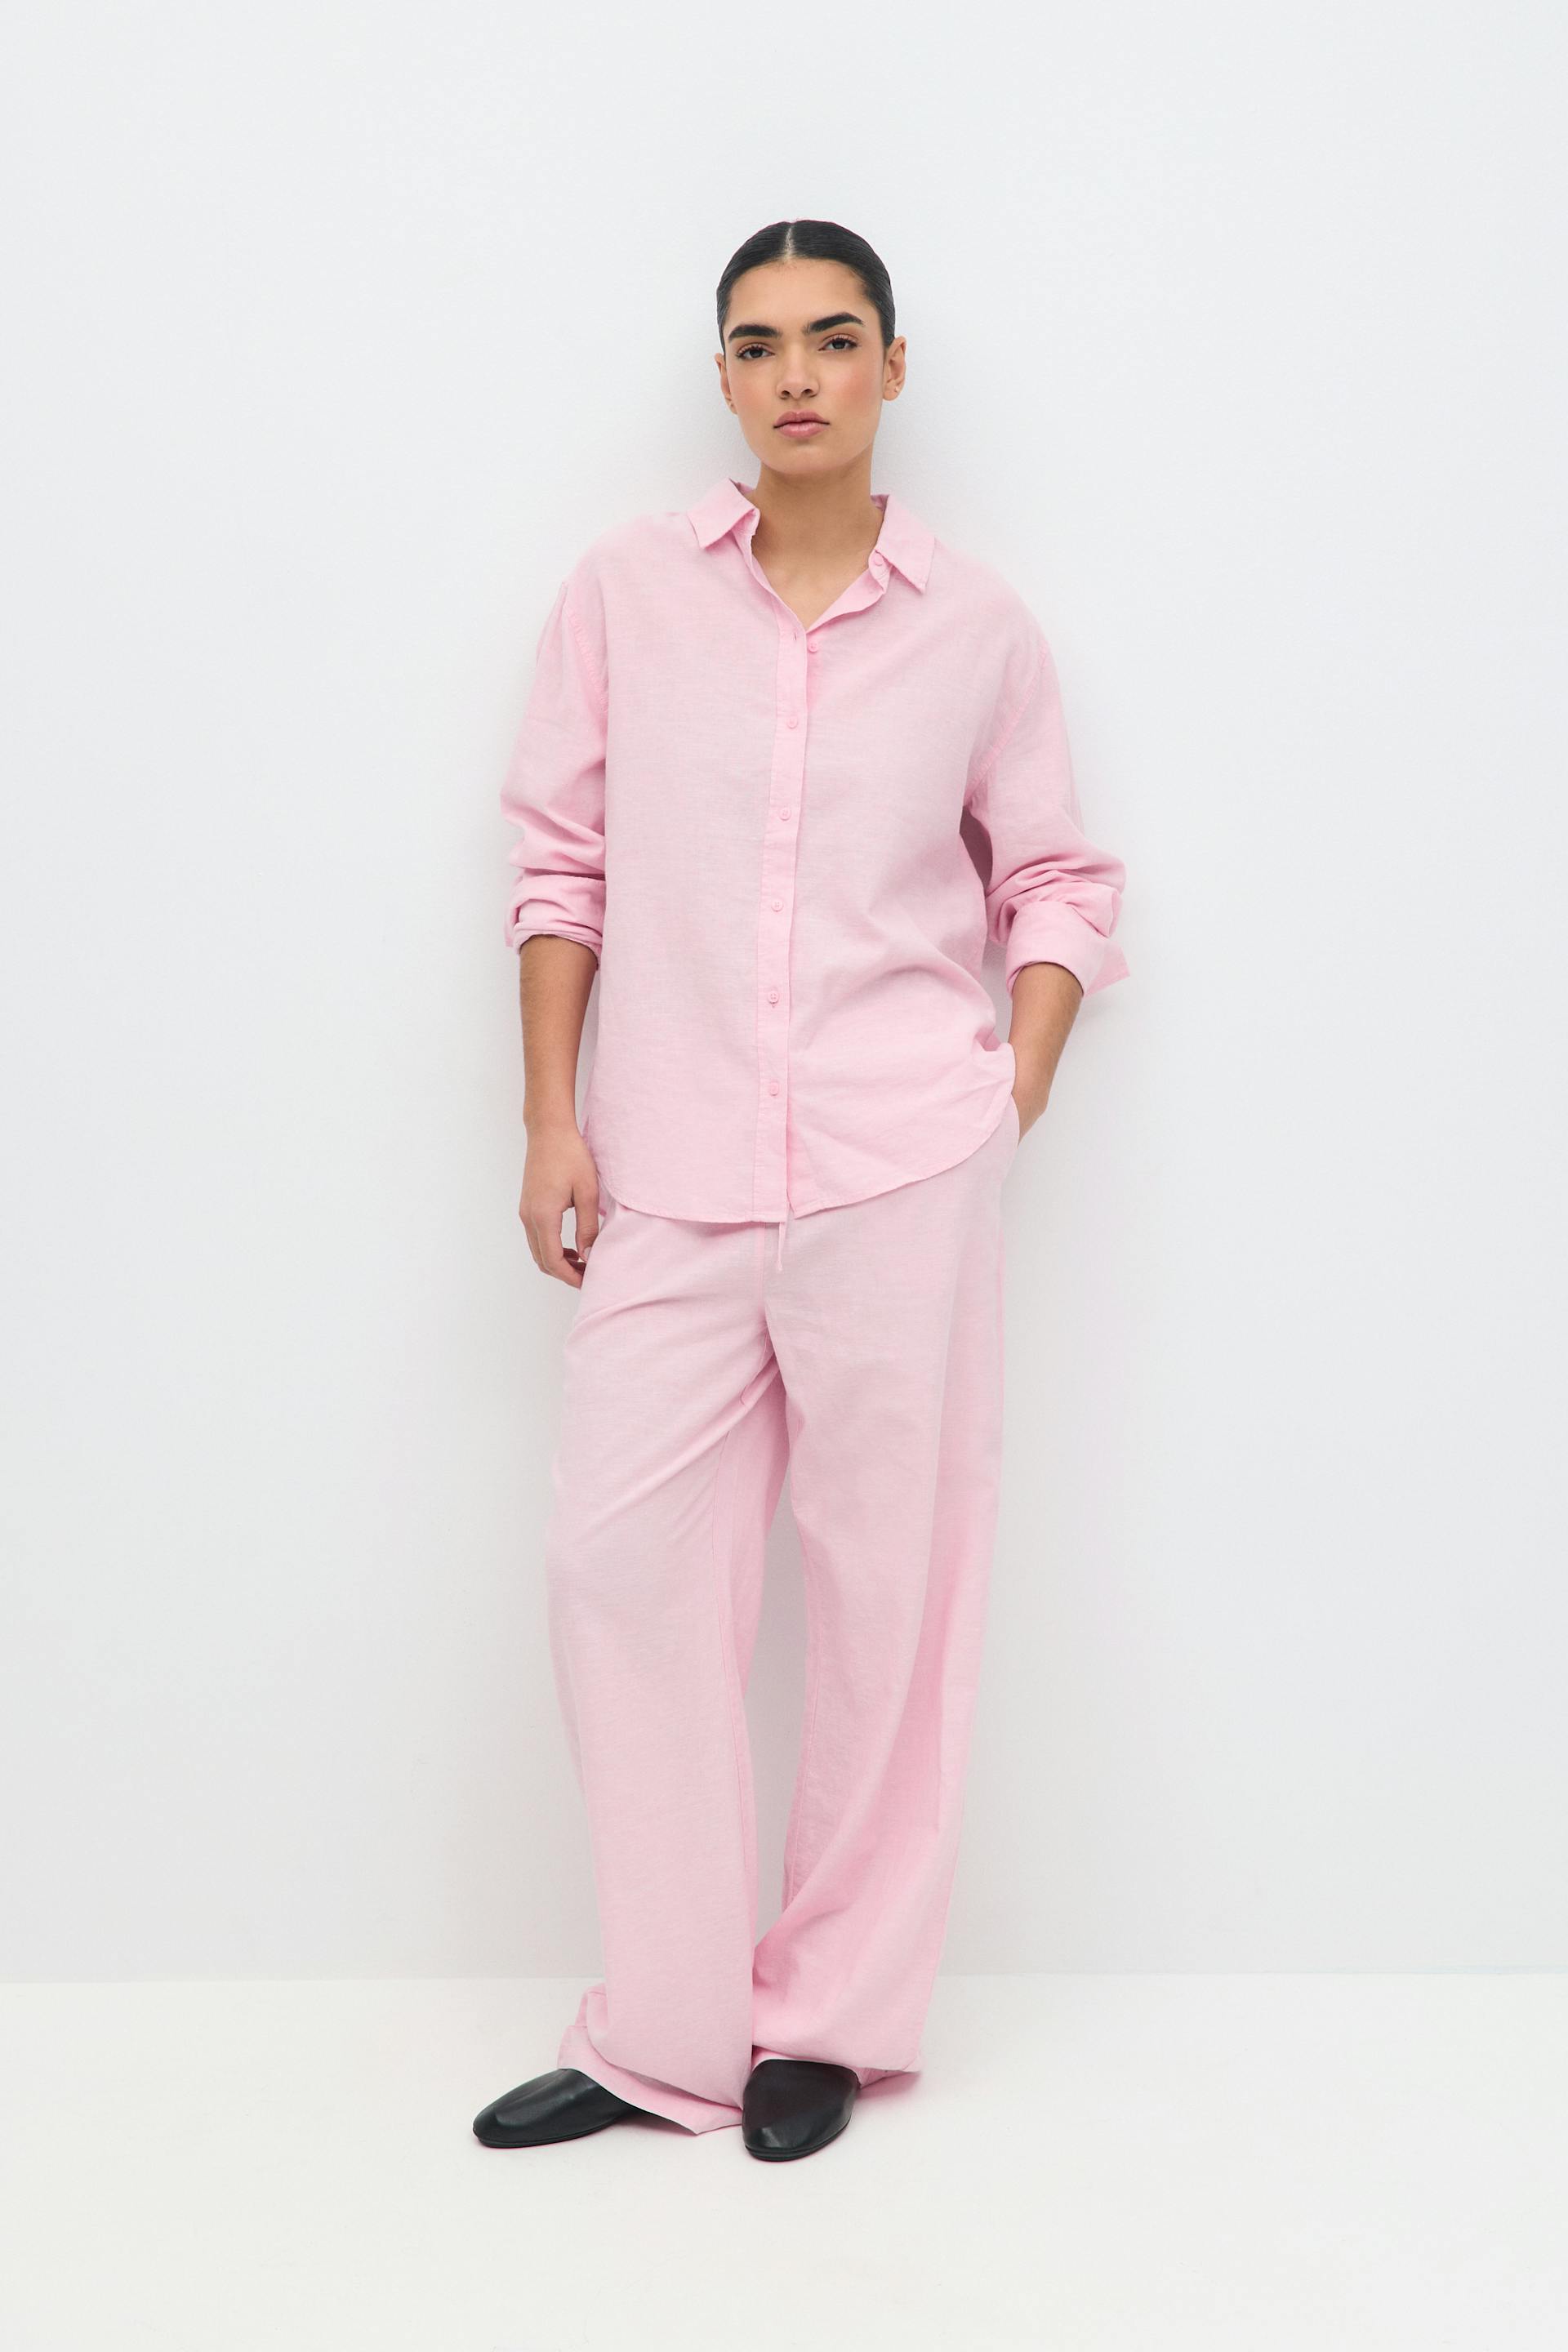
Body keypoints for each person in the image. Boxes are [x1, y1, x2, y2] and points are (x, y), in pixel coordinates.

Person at [474, 219, 1129, 2163]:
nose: (797, 377)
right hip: (668, 1169)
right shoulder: (624, 596)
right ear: (725, 380)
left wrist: (1006, 1086)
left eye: (835, 340)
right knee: (619, 1572)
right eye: (758, 346)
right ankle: (670, 2030)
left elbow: (1059, 881)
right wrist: (551, 1118)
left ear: (892, 367)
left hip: (897, 1168)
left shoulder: (979, 629)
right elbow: (560, 866)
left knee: (889, 1601)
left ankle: (826, 2025)